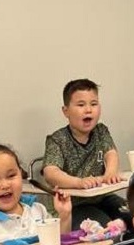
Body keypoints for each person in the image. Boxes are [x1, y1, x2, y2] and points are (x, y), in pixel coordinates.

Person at [42, 78, 128, 228]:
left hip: (102, 197)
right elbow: (50, 172)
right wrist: (79, 182)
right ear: (66, 111)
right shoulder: (57, 140)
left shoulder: (101, 131)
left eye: (93, 104)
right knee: (105, 228)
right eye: (81, 105)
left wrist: (111, 173)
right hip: (74, 204)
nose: (88, 109)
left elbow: (111, 154)